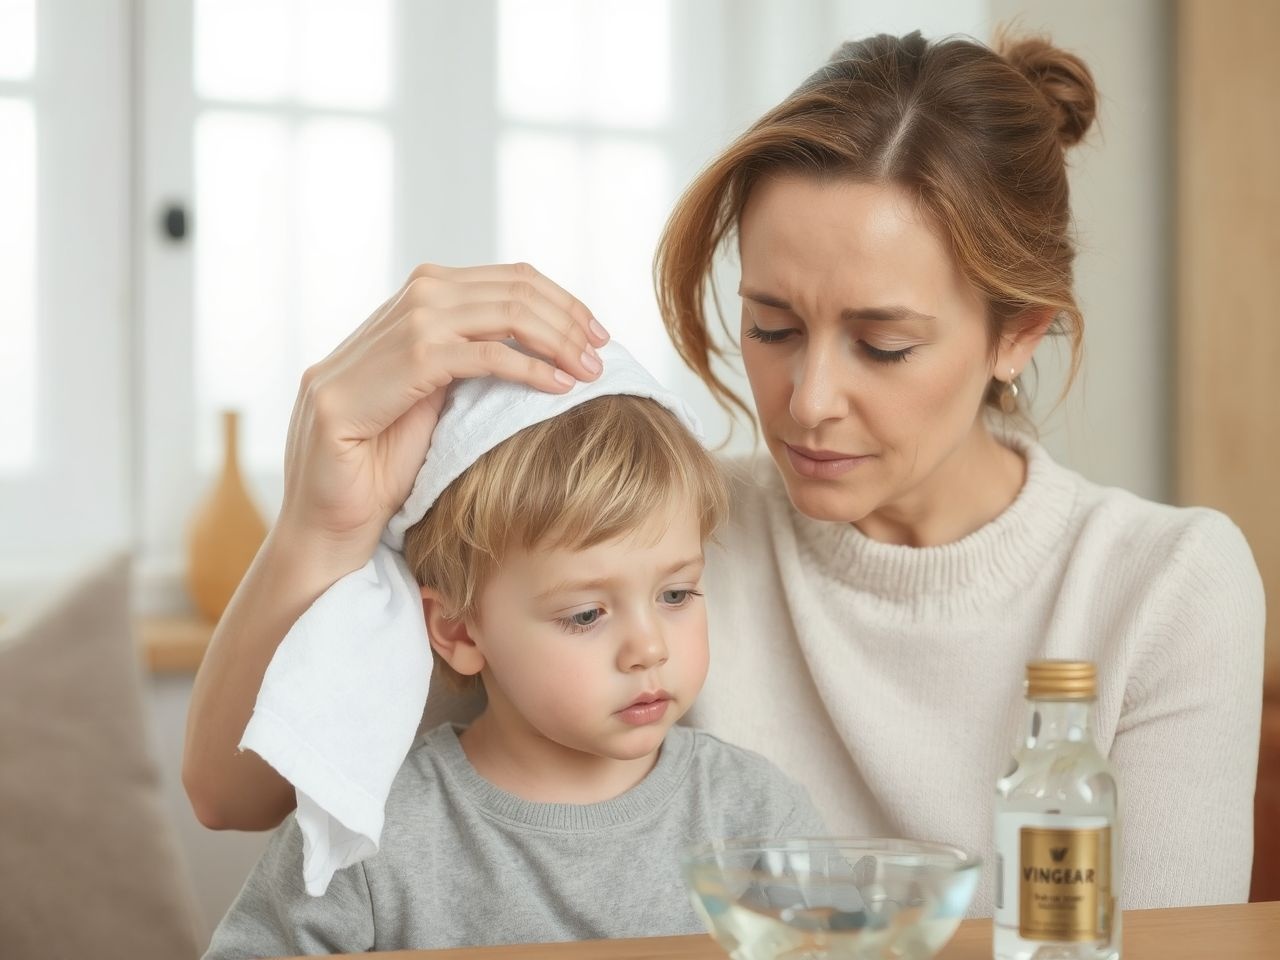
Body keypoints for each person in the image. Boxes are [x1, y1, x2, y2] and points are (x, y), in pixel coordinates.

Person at [184, 30, 1265, 917]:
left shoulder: (1164, 585)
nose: (806, 400)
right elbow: (237, 794)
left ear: (1016, 334)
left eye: (881, 344)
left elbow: (1169, 947)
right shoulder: (653, 540)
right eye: (771, 325)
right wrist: (323, 523)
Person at [203, 374, 826, 957]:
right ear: (457, 629)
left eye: (676, 595)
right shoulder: (370, 837)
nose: (650, 647)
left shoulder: (756, 817)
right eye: (586, 614)